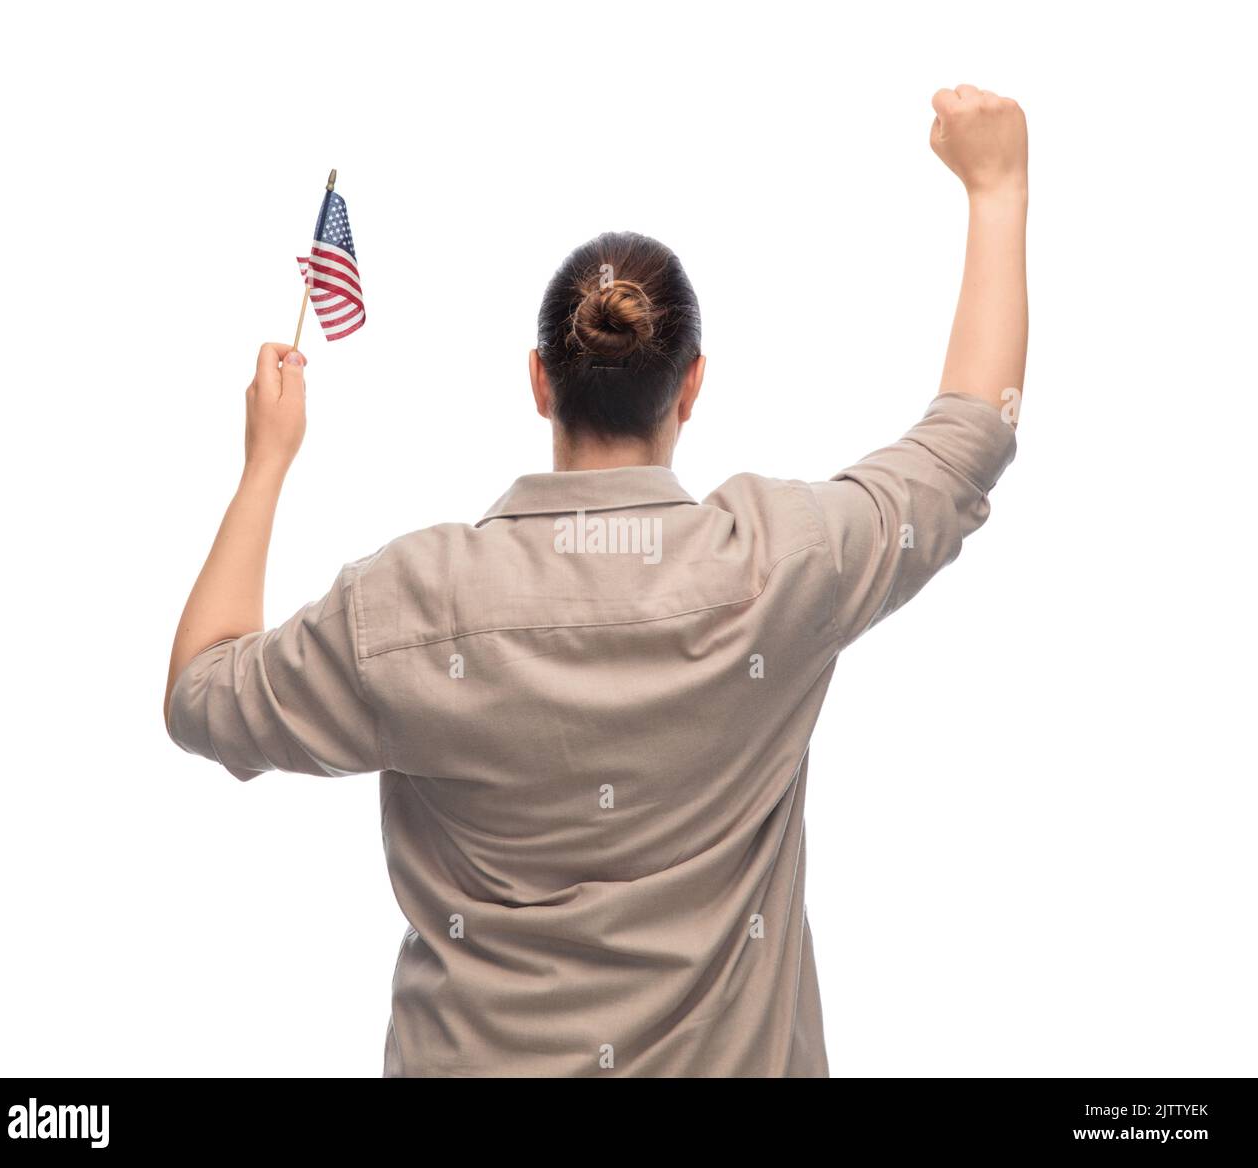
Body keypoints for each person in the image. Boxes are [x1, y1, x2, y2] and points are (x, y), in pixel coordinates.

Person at [164, 83, 1027, 1077]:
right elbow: (969, 437)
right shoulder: (782, 567)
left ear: (538, 379)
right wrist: (996, 190)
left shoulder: (407, 606)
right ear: (691, 385)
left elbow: (200, 695)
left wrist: (265, 460)